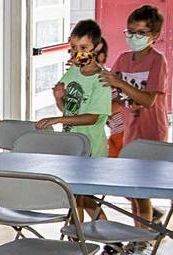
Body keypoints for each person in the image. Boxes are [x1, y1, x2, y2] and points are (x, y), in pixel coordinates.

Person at [97, 4, 170, 255]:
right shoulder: (124, 59)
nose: (134, 36)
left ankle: (141, 240)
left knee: (139, 189)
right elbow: (114, 93)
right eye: (131, 31)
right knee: (131, 187)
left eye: (141, 32)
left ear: (153, 35)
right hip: (127, 129)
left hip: (150, 132)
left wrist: (119, 84)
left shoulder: (157, 60)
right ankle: (148, 219)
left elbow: (148, 99)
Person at [36, 19, 112, 220]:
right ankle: (75, 239)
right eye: (74, 47)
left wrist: (56, 120)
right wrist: (58, 98)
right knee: (75, 197)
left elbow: (92, 118)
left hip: (91, 149)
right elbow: (69, 110)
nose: (78, 52)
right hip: (71, 146)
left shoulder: (102, 80)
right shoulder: (73, 72)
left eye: (84, 47)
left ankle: (106, 235)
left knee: (84, 197)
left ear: (97, 47)